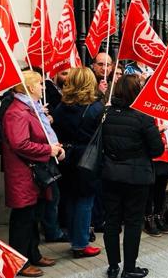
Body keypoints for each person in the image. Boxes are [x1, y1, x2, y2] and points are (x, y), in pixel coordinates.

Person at [2, 70, 65, 277]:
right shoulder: (17, 112)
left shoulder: (31, 108)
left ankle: (34, 254)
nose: (43, 87)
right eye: (39, 84)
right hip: (23, 173)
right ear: (30, 88)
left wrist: (53, 145)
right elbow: (20, 143)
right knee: (23, 218)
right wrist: (49, 150)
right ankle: (19, 261)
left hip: (34, 172)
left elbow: (39, 135)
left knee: (34, 215)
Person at [102, 75, 165, 278]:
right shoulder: (143, 117)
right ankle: (129, 268)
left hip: (110, 175)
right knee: (132, 222)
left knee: (112, 222)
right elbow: (157, 149)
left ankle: (113, 267)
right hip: (136, 177)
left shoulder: (106, 114)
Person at [52, 67, 104, 258]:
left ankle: (75, 239)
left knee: (71, 199)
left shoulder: (60, 107)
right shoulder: (96, 108)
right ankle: (81, 244)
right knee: (85, 201)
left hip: (65, 156)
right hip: (87, 158)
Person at [143, 118, 168, 237]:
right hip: (152, 155)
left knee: (161, 188)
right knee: (150, 189)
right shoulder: (146, 110)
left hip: (166, 155)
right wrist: (158, 130)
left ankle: (159, 216)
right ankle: (148, 219)